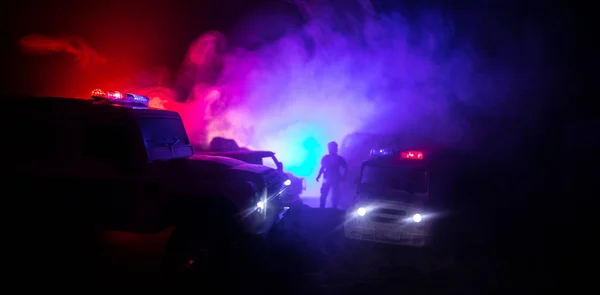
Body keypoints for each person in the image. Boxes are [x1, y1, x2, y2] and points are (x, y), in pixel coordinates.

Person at [316, 141, 347, 209]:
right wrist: (318, 175)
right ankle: (322, 207)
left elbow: (345, 167)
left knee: (335, 194)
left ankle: (334, 208)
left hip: (335, 178)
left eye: (334, 147)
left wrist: (344, 176)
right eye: (331, 147)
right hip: (327, 178)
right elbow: (322, 167)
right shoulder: (326, 158)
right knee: (324, 193)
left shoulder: (339, 159)